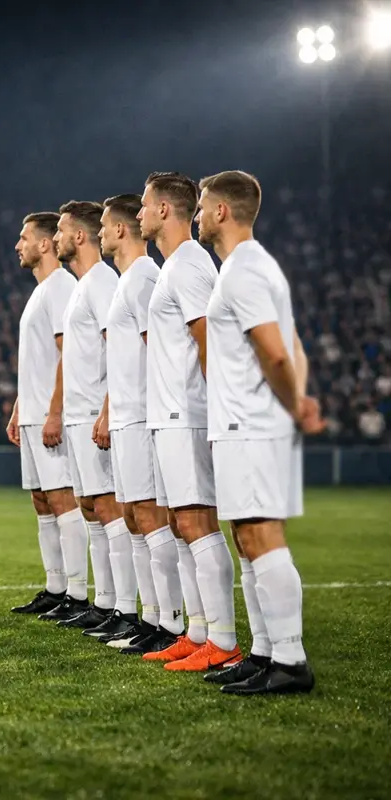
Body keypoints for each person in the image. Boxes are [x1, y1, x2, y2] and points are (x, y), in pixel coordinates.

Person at [198, 169, 322, 694]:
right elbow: (294, 348)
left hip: (251, 423)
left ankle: (290, 661)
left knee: (261, 536)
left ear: (222, 211)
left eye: (202, 205)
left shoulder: (243, 271)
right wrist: (299, 401)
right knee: (247, 538)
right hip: (250, 422)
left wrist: (293, 405)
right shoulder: (254, 266)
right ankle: (265, 653)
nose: (200, 214)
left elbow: (274, 351)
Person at [134, 172, 239, 669]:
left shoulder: (190, 265)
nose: (138, 215)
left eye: (145, 205)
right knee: (181, 523)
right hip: (168, 413)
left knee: (197, 521)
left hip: (187, 413)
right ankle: (198, 634)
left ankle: (222, 640)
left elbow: (208, 340)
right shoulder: (175, 266)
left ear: (163, 211)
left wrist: (217, 411)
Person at [51, 201, 132, 636]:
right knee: (91, 509)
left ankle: (124, 608)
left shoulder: (102, 281)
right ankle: (105, 604)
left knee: (108, 509)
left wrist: (107, 409)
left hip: (95, 415)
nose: (57, 238)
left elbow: (116, 346)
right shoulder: (84, 284)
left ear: (76, 236)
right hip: (79, 416)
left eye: (62, 231)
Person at [92, 194, 165, 650]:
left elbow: (156, 350)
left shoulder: (143, 279)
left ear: (120, 230)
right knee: (135, 518)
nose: (101, 232)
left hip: (142, 415)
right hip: (126, 415)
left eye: (104, 225)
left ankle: (168, 625)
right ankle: (151, 620)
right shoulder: (127, 280)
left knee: (151, 518)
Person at [6, 213, 83, 619]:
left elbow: (67, 353)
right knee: (42, 500)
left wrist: (55, 412)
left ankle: (78, 593)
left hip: (53, 414)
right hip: (34, 412)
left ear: (45, 243)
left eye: (24, 238)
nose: (18, 245)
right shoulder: (41, 290)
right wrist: (23, 406)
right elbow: (39, 359)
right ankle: (56, 588)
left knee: (63, 500)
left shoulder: (61, 288)